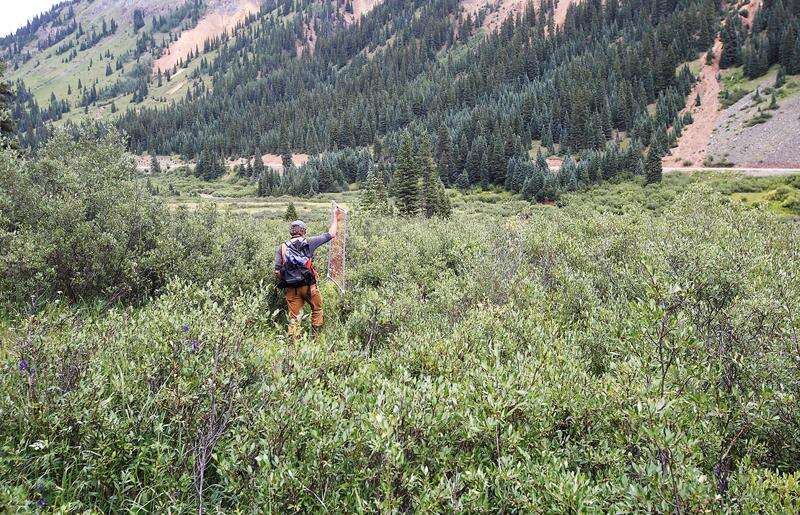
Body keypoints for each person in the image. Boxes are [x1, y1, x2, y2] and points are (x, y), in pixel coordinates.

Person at [274, 207, 342, 336]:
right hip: (309, 286)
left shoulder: (282, 247)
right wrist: (335, 216)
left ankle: (294, 348)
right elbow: (331, 234)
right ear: (303, 231)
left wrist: (287, 279)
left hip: (291, 288)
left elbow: (277, 272)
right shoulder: (310, 242)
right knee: (317, 309)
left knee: (294, 319)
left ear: (291, 232)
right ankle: (315, 338)